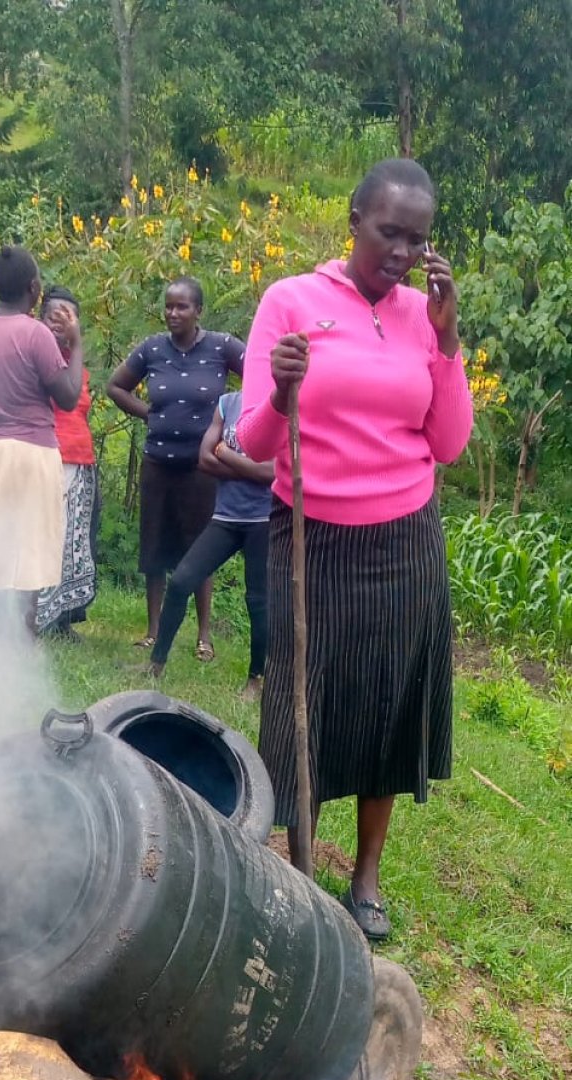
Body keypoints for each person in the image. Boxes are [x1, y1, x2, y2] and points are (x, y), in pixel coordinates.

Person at [239, 158, 473, 940]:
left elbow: (449, 443)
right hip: (311, 534)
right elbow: (253, 438)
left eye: (418, 238)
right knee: (305, 704)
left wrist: (447, 342)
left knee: (388, 707)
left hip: (407, 539)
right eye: (389, 231)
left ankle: (365, 874)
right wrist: (279, 390)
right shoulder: (291, 301)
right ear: (353, 219)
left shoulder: (420, 317)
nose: (403, 251)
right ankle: (296, 860)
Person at [107, 280, 245, 656]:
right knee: (155, 548)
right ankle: (153, 630)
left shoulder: (221, 346)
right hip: (158, 465)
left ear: (198, 310)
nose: (173, 313)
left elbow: (260, 378)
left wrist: (236, 426)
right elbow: (116, 387)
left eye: (182, 307)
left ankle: (204, 636)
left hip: (203, 469)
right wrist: (149, 414)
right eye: (168, 306)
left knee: (201, 549)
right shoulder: (152, 349)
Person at [0, 246, 83, 638]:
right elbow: (67, 396)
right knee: (30, 549)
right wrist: (76, 344)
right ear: (34, 288)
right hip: (33, 452)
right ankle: (25, 639)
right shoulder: (35, 334)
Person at [147, 389, 274, 694]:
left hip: (264, 520)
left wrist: (226, 454)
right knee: (180, 582)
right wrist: (249, 468)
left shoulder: (277, 405)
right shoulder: (227, 403)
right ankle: (156, 663)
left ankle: (256, 679)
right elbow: (204, 459)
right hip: (226, 518)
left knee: (258, 601)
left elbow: (271, 472)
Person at [36, 286, 98, 639]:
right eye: (53, 317)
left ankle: (61, 619)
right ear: (40, 320)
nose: (60, 324)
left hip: (79, 461)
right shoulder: (37, 358)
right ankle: (39, 617)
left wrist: (75, 347)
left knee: (71, 544)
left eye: (68, 318)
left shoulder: (77, 365)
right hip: (49, 458)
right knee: (47, 538)